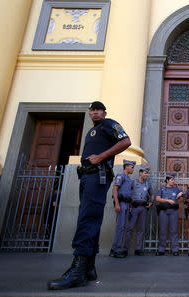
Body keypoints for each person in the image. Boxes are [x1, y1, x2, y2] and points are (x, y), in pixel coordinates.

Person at [47, 101, 130, 290]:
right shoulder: (93, 130)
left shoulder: (109, 124)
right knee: (90, 218)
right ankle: (89, 267)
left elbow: (126, 141)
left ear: (104, 112)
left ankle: (78, 271)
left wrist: (100, 157)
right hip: (87, 176)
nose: (94, 112)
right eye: (91, 110)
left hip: (97, 174)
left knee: (87, 218)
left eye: (97, 110)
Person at [122, 166, 154, 256]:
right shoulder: (133, 183)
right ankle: (125, 249)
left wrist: (151, 202)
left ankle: (138, 249)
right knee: (130, 228)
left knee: (141, 229)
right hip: (134, 208)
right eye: (145, 173)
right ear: (140, 173)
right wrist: (129, 205)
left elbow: (152, 194)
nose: (146, 175)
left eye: (147, 173)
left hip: (143, 208)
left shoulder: (148, 184)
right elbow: (128, 193)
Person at [109, 159, 136, 258]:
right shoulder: (121, 176)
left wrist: (130, 206)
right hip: (120, 203)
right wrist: (116, 204)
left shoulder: (129, 179)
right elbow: (114, 189)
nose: (133, 169)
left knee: (123, 227)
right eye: (132, 167)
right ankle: (115, 249)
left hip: (126, 204)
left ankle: (115, 249)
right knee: (120, 227)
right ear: (127, 166)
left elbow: (129, 194)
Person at [155, 173, 183, 256]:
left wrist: (181, 193)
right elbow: (157, 198)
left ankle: (175, 249)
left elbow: (182, 193)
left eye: (173, 179)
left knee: (173, 230)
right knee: (163, 230)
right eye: (172, 180)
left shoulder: (176, 189)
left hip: (173, 212)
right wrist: (168, 201)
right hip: (163, 211)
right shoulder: (162, 189)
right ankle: (161, 249)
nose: (173, 181)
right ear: (167, 180)